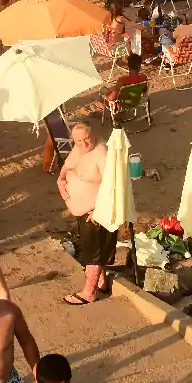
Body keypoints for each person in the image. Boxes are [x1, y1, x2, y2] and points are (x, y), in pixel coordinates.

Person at [56, 124, 113, 306]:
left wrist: (99, 210)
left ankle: (89, 292)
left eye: (87, 138)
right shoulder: (79, 148)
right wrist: (61, 180)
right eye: (79, 140)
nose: (84, 143)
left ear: (93, 134)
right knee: (92, 248)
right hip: (83, 211)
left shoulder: (101, 153)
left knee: (93, 253)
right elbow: (68, 166)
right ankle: (102, 282)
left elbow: (112, 184)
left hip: (95, 213)